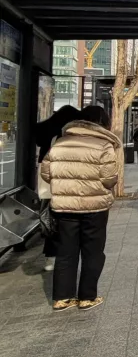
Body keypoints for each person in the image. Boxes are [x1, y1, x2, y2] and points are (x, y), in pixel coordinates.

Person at [40, 105, 120, 312]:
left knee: (66, 251)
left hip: (65, 208)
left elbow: (47, 173)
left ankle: (61, 298)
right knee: (93, 251)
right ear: (102, 123)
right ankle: (86, 297)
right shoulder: (104, 144)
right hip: (95, 207)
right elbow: (110, 178)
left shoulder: (61, 142)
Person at [34, 105, 82, 272]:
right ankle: (66, 254)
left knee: (51, 218)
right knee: (68, 221)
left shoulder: (46, 129)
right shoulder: (70, 135)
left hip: (49, 184)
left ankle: (50, 257)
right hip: (67, 182)